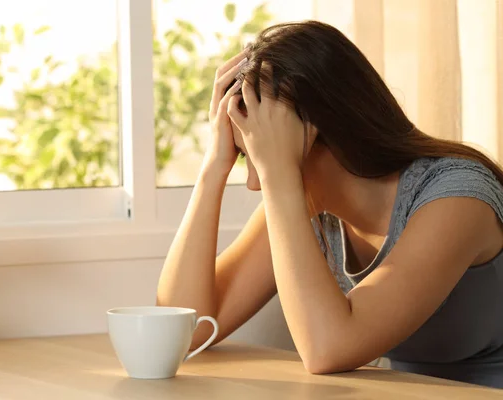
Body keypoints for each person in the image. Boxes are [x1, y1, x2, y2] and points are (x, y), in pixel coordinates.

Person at [155, 20, 503, 389]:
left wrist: (279, 171)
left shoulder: (457, 197)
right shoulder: (306, 203)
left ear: (317, 129)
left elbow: (328, 349)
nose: (255, 183)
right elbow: (181, 330)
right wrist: (213, 166)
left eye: (256, 153)